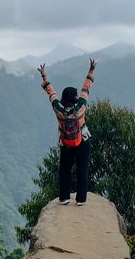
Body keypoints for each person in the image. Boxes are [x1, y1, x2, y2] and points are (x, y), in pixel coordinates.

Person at [38, 58, 97, 205]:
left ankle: (64, 197)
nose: (78, 96)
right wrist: (91, 70)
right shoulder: (81, 107)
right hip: (82, 141)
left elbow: (51, 93)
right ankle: (81, 199)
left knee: (65, 169)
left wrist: (44, 77)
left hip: (66, 143)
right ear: (74, 98)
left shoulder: (58, 109)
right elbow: (86, 88)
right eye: (75, 95)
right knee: (82, 170)